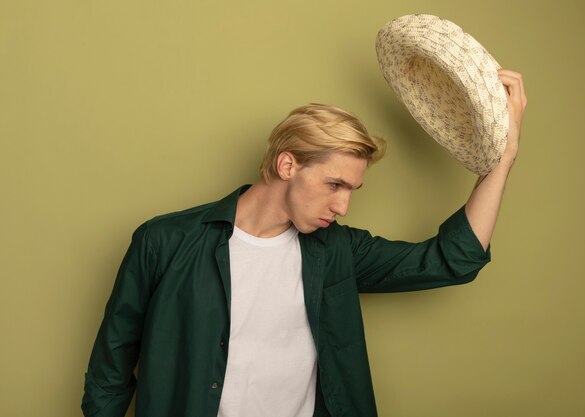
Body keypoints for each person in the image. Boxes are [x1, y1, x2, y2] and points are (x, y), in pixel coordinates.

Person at [82, 69, 527, 417]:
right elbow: (111, 367)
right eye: (335, 184)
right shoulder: (164, 241)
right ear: (288, 164)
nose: (343, 205)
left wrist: (502, 160)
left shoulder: (337, 250)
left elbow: (453, 260)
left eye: (352, 189)